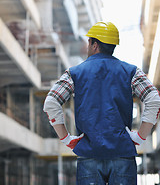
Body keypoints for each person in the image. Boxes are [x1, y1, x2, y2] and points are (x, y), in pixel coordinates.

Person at [43, 22, 160, 185]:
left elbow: (51, 102)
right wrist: (140, 136)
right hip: (122, 154)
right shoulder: (131, 71)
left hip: (89, 155)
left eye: (89, 42)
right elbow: (153, 98)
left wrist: (66, 139)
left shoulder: (74, 73)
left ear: (95, 44)